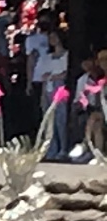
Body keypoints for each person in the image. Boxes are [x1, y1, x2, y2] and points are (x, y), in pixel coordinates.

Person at [40, 31, 72, 160]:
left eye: (54, 37)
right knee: (49, 119)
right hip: (48, 88)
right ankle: (52, 149)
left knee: (61, 119)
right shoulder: (48, 57)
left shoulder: (66, 55)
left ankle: (63, 148)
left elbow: (65, 74)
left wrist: (53, 76)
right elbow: (43, 75)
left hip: (60, 87)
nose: (52, 39)